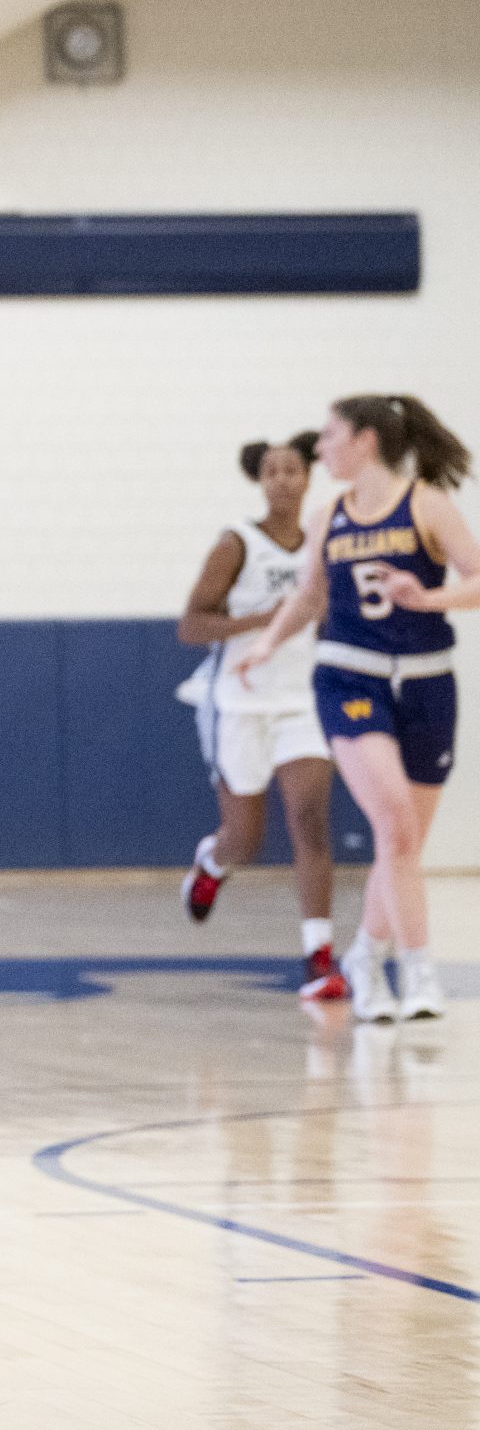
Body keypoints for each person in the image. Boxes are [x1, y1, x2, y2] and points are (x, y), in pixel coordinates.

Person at [239, 396, 474, 1025]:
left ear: (365, 440)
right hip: (349, 676)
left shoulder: (426, 504)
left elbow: (477, 578)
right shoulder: (328, 516)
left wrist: (429, 598)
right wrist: (265, 643)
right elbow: (312, 594)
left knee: (404, 844)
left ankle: (366, 956)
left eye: (331, 437)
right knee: (394, 824)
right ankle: (419, 973)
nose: (320, 449)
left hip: (426, 682)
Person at [175, 433, 341, 999]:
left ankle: (319, 957)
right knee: (246, 837)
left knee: (311, 821)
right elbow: (191, 626)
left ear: (308, 475)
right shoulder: (237, 544)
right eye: (271, 471)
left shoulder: (323, 540)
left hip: (302, 702)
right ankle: (211, 865)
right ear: (259, 479)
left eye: (292, 469)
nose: (282, 480)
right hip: (240, 702)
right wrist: (265, 621)